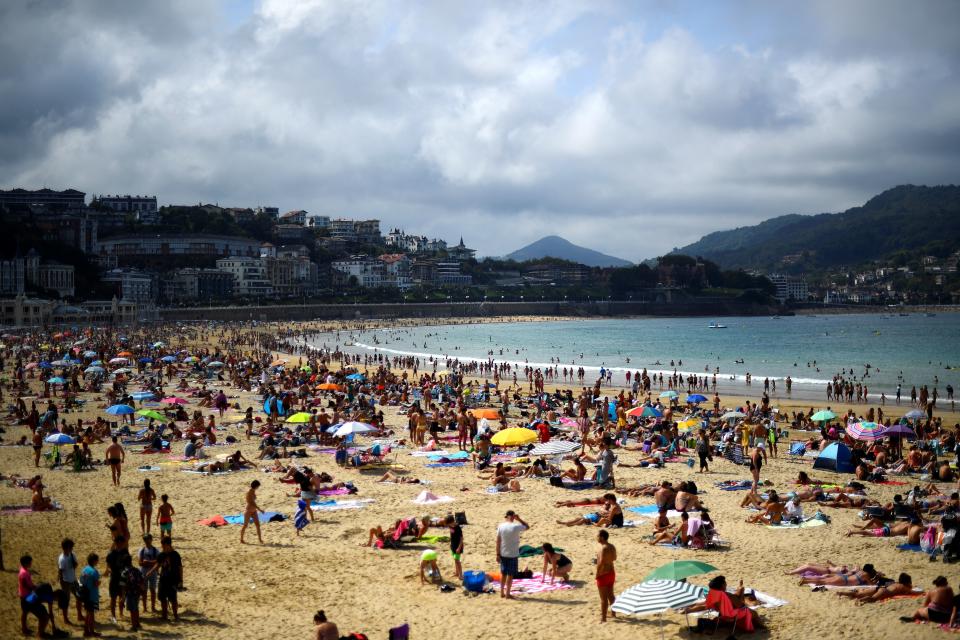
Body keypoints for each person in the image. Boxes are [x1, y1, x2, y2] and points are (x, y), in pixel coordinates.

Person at [683, 575, 764, 631]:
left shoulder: (713, 595)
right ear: (722, 585)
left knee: (738, 594)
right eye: (725, 583)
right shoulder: (727, 595)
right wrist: (741, 593)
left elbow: (704, 605)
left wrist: (690, 609)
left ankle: (740, 588)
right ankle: (762, 627)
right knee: (754, 613)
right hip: (734, 616)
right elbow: (740, 604)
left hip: (723, 616)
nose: (726, 584)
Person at [496, 510, 530, 599]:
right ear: (513, 516)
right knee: (510, 575)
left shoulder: (501, 526)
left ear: (506, 516)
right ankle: (507, 594)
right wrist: (519, 519)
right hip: (512, 554)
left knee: (503, 574)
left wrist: (497, 554)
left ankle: (502, 593)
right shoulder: (516, 526)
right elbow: (527, 526)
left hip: (503, 552)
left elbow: (498, 541)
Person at [150, 536, 182, 621]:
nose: (162, 547)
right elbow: (157, 564)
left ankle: (175, 616)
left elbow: (180, 568)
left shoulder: (175, 555)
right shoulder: (162, 554)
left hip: (173, 580)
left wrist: (181, 580)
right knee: (162, 598)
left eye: (163, 545)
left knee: (173, 599)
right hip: (163, 579)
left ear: (168, 544)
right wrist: (151, 572)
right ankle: (164, 616)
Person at [19, 554, 50, 638]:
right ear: (26, 563)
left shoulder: (22, 570)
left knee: (25, 612)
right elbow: (25, 585)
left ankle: (24, 628)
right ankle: (40, 633)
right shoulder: (24, 573)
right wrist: (35, 588)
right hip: (28, 596)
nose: (31, 563)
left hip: (23, 595)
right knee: (42, 615)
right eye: (30, 562)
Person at [104, 535, 131, 624]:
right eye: (118, 542)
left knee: (121, 596)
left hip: (123, 578)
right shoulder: (111, 553)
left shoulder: (125, 552)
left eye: (121, 542)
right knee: (113, 597)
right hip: (114, 577)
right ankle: (113, 615)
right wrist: (108, 570)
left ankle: (121, 613)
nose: (119, 544)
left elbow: (128, 565)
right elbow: (108, 565)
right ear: (115, 543)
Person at [57, 538, 83, 625]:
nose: (72, 549)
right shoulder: (62, 559)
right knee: (66, 601)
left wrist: (74, 564)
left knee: (79, 597)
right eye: (71, 547)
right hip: (66, 582)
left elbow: (75, 564)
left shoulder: (72, 554)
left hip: (73, 580)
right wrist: (62, 583)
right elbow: (60, 571)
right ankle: (65, 619)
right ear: (66, 548)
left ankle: (79, 615)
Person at [596, 529, 617, 623]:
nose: (596, 537)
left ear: (602, 537)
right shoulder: (612, 546)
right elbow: (614, 558)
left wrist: (597, 573)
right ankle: (613, 613)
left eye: (598, 536)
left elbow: (601, 562)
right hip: (611, 573)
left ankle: (603, 618)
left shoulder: (603, 548)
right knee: (611, 595)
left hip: (603, 574)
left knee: (603, 598)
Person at [79, 552, 101, 638]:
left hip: (85, 594)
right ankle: (91, 632)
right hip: (92, 595)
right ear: (94, 561)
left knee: (88, 614)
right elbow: (96, 584)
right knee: (91, 615)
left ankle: (86, 631)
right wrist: (99, 582)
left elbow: (81, 581)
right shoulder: (94, 571)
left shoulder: (84, 570)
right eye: (97, 560)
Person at [138, 534, 159, 613]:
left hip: (152, 572)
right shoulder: (142, 550)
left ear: (151, 539)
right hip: (144, 572)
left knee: (152, 590)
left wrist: (147, 562)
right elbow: (140, 563)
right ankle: (145, 608)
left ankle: (153, 607)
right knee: (144, 591)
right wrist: (151, 563)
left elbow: (158, 561)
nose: (146, 541)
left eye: (148, 539)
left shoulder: (155, 550)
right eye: (145, 539)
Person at [240, 480, 265, 544]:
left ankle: (260, 539)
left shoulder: (253, 491)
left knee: (257, 525)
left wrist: (257, 509)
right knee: (245, 525)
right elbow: (251, 503)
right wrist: (260, 509)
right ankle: (241, 539)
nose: (258, 487)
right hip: (248, 510)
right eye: (258, 486)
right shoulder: (249, 492)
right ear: (256, 486)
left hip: (254, 511)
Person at [446, 514, 464, 579]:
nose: (448, 525)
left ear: (452, 522)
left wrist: (459, 548)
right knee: (455, 559)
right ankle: (457, 573)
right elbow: (451, 535)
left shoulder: (458, 528)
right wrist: (451, 544)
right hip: (453, 546)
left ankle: (461, 575)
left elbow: (461, 539)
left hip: (458, 546)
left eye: (448, 524)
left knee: (457, 560)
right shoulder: (450, 526)